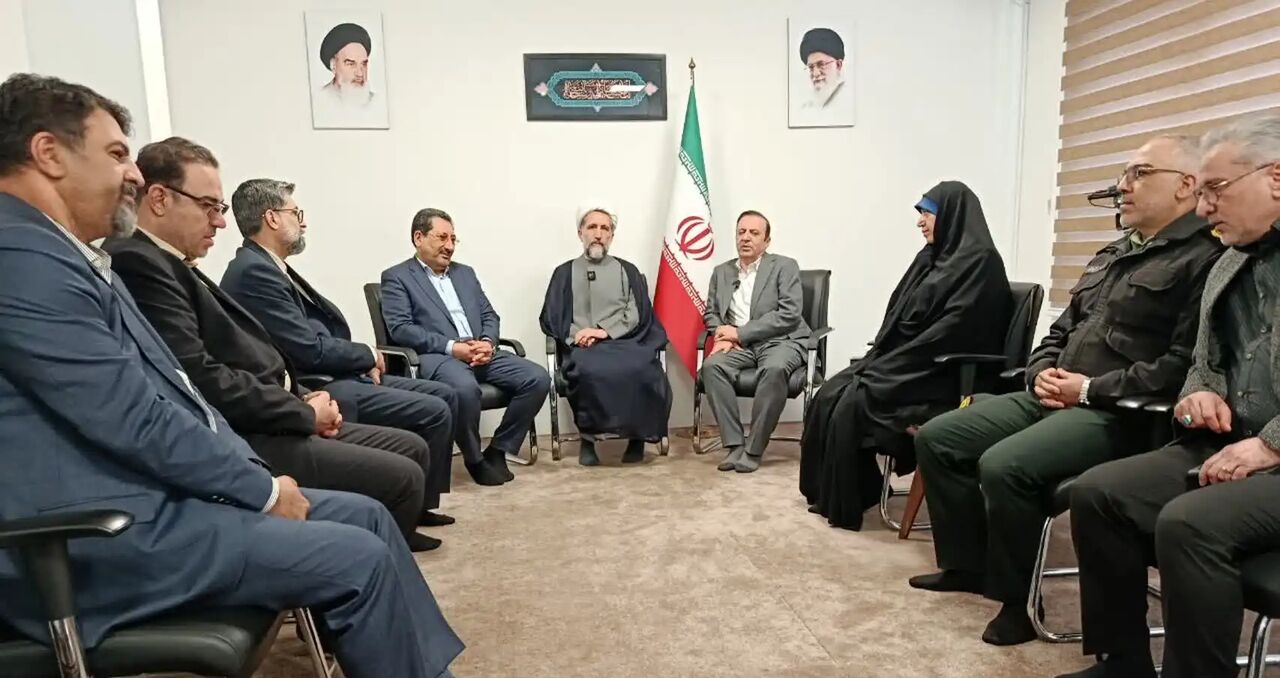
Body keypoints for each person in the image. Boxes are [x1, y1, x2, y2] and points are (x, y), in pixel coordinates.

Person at [0, 73, 461, 678]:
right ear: (48, 153)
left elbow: (175, 393)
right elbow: (136, 417)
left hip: (147, 500)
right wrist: (261, 490)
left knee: (367, 516)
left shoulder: (66, 255)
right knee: (358, 555)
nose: (133, 174)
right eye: (115, 154)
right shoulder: (20, 257)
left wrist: (253, 477)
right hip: (94, 537)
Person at [909, 137, 1224, 646]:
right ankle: (969, 565)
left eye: (1140, 173)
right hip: (1054, 393)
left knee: (1005, 465)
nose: (1123, 186)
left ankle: (1017, 603)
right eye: (1124, 173)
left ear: (1186, 185)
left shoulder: (1205, 259)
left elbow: (1182, 364)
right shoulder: (1114, 253)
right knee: (939, 437)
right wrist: (1039, 371)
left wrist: (1090, 389)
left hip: (1117, 411)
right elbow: (1059, 331)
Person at [104, 136, 446, 552]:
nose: (220, 222)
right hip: (254, 431)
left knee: (412, 446)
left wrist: (303, 398)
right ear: (159, 199)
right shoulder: (141, 262)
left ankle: (391, 541)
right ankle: (376, 552)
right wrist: (303, 410)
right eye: (210, 206)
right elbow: (201, 377)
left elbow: (248, 355)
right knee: (403, 472)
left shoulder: (173, 262)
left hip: (285, 400)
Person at [1057, 116, 1280, 678]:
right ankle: (1123, 662)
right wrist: (1201, 392)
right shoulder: (1228, 263)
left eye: (1216, 189)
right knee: (1096, 494)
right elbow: (1202, 361)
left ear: (1276, 177)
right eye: (1200, 192)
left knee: (1189, 524)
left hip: (1270, 456)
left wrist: (1270, 445)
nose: (1203, 208)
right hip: (1225, 445)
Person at [219, 179, 459, 518]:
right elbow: (306, 349)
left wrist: (360, 358)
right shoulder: (254, 271)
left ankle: (420, 505)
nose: (303, 222)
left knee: (445, 395)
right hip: (319, 382)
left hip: (338, 370)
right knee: (433, 410)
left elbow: (315, 334)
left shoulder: (269, 265)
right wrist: (366, 355)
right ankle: (409, 507)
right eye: (296, 213)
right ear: (271, 218)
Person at [799, 181, 1011, 530]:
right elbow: (900, 315)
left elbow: (955, 332)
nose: (920, 221)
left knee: (855, 400)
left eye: (927, 213)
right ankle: (846, 490)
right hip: (912, 361)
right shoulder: (931, 257)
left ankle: (850, 497)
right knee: (829, 392)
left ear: (952, 215)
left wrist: (896, 361)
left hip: (945, 375)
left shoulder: (981, 263)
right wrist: (886, 355)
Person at [380, 208, 551, 485]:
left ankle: (499, 449)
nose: (449, 246)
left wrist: (487, 342)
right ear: (418, 237)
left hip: (479, 351)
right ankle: (475, 459)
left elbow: (489, 315)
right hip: (439, 356)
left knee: (537, 378)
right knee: (465, 389)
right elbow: (401, 329)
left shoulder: (465, 274)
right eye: (442, 238)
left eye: (453, 239)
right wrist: (452, 347)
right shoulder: (397, 277)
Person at [539, 207, 672, 465]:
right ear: (580, 233)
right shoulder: (563, 273)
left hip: (625, 343)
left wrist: (602, 331)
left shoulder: (628, 270)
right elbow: (553, 316)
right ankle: (588, 440)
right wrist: (578, 335)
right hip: (582, 347)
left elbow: (637, 312)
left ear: (612, 235)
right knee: (587, 370)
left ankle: (637, 439)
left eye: (605, 228)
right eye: (592, 227)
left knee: (643, 369)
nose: (598, 234)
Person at [699, 210, 810, 474]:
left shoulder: (784, 266)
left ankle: (754, 448)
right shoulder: (722, 272)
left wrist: (739, 333)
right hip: (740, 346)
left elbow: (789, 314)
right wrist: (722, 333)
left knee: (774, 369)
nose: (746, 238)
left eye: (754, 233)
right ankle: (735, 444)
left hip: (780, 341)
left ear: (766, 241)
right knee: (712, 367)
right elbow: (711, 313)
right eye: (741, 232)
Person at [311, 22, 381, 127]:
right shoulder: (318, 100)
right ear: (333, 65)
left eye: (364, 64)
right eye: (351, 64)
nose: (360, 73)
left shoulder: (377, 102)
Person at [792, 27, 853, 128]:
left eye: (821, 64)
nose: (815, 73)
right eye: (811, 67)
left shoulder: (848, 103)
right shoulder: (806, 108)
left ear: (838, 65)